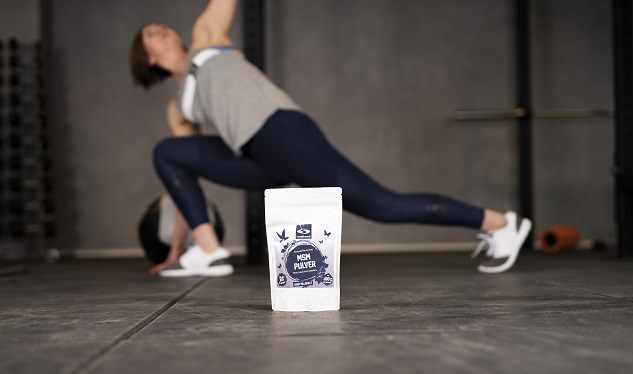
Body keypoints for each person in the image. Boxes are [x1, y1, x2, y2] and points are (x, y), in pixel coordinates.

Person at [130, 0, 531, 277]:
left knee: (383, 206)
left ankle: (499, 224)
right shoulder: (177, 106)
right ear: (147, 56)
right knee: (169, 153)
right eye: (152, 33)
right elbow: (183, 184)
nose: (161, 29)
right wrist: (175, 250)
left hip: (282, 132)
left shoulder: (206, 37)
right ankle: (208, 250)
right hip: (257, 159)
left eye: (161, 27)